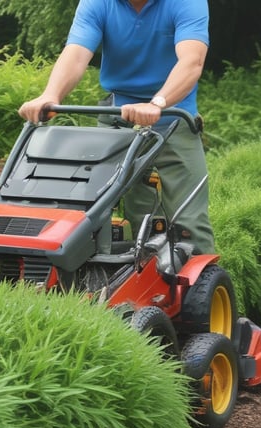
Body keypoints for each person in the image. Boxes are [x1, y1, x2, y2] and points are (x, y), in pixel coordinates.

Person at [18, 0, 215, 254]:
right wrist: (51, 95)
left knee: (190, 223)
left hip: (173, 117)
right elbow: (76, 54)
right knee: (117, 215)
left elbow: (192, 61)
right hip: (117, 118)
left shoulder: (186, 2)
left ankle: (202, 276)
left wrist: (157, 103)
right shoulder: (98, 3)